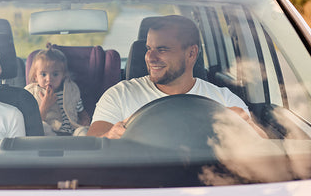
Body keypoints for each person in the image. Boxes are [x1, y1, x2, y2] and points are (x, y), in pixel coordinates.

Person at [87, 15, 266, 139]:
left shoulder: (224, 99)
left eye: (162, 49)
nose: (150, 57)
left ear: (191, 53)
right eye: (149, 48)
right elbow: (92, 147)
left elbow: (264, 148)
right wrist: (110, 136)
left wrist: (247, 125)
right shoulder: (120, 95)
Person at [25, 43, 90, 136]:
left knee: (83, 131)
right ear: (35, 76)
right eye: (43, 74)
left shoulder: (71, 89)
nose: (49, 79)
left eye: (55, 74)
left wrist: (84, 118)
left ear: (63, 75)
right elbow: (31, 125)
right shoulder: (31, 93)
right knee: (43, 127)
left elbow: (80, 109)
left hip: (72, 132)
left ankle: (79, 148)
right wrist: (45, 105)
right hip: (51, 133)